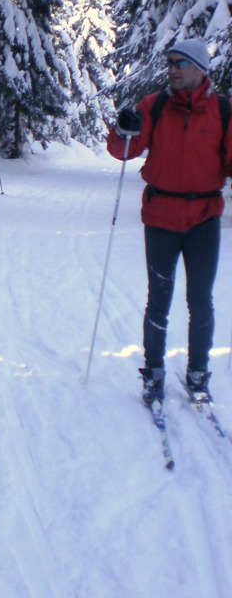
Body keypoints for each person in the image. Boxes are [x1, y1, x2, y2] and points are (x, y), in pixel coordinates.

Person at [106, 38, 232, 405]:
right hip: (161, 216)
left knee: (200, 300)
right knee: (158, 298)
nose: (172, 69)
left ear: (200, 68)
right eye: (170, 63)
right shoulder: (155, 105)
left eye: (180, 63)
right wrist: (123, 128)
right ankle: (154, 372)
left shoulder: (223, 112)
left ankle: (197, 372)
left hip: (204, 218)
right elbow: (123, 151)